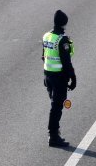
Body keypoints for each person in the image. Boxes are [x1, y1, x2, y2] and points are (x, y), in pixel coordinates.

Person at [42, 10, 76, 148]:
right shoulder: (62, 40)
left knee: (55, 104)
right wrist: (73, 78)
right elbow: (66, 62)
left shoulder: (47, 36)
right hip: (58, 78)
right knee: (56, 107)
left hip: (48, 76)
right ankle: (53, 136)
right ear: (64, 23)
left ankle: (54, 133)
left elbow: (43, 56)